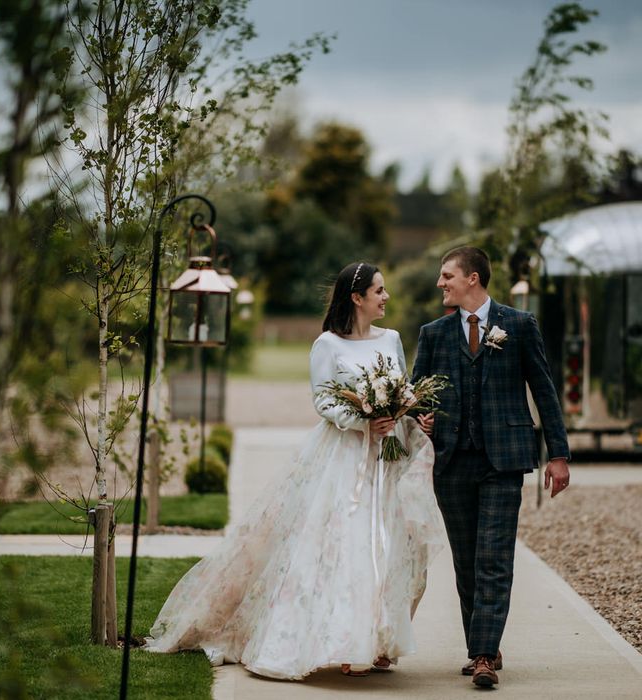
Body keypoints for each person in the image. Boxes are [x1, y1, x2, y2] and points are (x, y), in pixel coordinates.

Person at [144, 262, 444, 680]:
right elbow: (323, 401)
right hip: (343, 457)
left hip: (385, 459)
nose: (385, 297)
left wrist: (410, 416)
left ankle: (378, 640)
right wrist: (364, 421)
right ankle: (341, 642)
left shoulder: (392, 339)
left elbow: (403, 388)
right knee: (345, 545)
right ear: (357, 298)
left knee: (385, 545)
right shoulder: (327, 345)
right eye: (379, 290)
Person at [412, 246, 570, 688]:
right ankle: (486, 641)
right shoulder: (434, 334)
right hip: (452, 461)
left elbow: (544, 390)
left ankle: (481, 655)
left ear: (473, 279)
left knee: (494, 559)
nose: (441, 283)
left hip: (504, 460)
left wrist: (558, 454)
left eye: (448, 276)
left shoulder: (519, 326)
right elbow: (414, 394)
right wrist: (419, 416)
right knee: (467, 561)